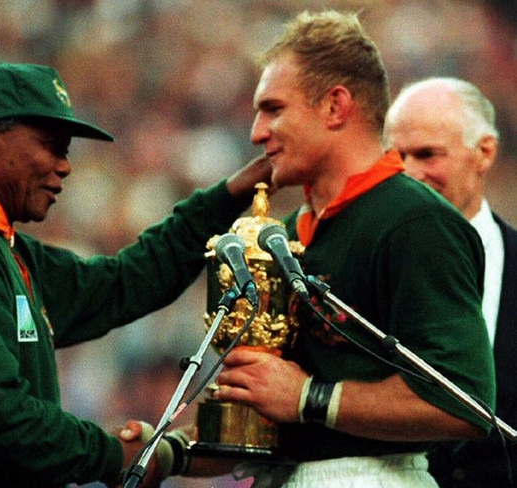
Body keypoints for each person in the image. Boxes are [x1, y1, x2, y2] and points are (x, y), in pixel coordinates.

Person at [0, 62, 272, 488]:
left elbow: (122, 284)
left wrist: (231, 194)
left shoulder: (2, 246)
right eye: (50, 146)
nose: (64, 166)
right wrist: (111, 453)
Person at [145, 10, 497, 488]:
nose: (256, 132)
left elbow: (465, 404)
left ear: (335, 107)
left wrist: (309, 397)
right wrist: (166, 452)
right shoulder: (285, 233)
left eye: (273, 109)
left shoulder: (416, 221)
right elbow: (275, 418)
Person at [384, 76, 517, 488]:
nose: (408, 172)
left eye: (427, 154)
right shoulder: (358, 267)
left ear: (484, 152)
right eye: (395, 156)